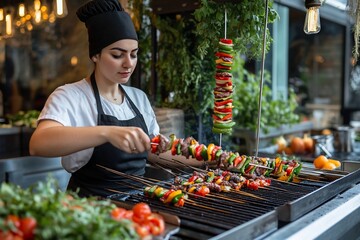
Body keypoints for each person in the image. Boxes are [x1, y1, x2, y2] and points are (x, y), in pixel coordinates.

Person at [29, 0, 160, 198]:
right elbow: (38, 144)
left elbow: (153, 150)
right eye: (117, 55)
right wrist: (106, 133)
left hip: (138, 208)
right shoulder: (71, 96)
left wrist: (206, 159)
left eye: (134, 55)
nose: (128, 64)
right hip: (91, 210)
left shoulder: (138, 98)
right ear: (95, 55)